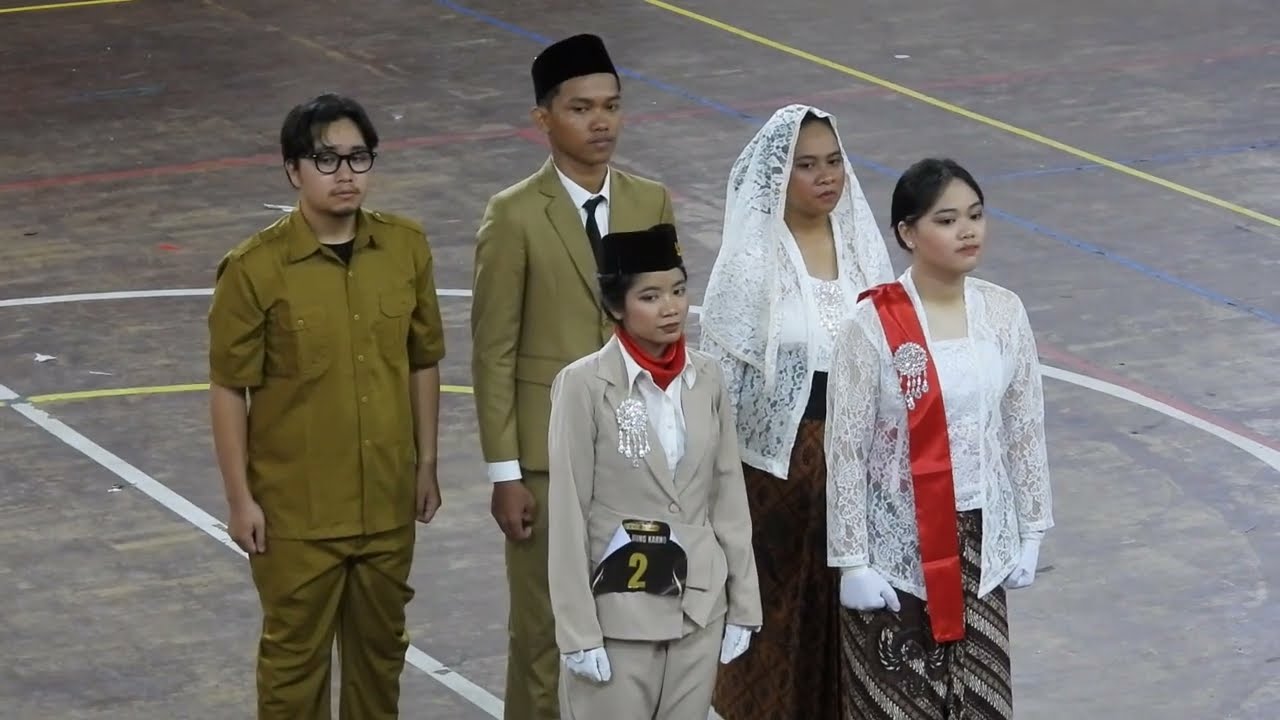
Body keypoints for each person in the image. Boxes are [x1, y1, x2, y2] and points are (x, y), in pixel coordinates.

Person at [206, 93, 446, 720]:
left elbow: (422, 359)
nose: (345, 174)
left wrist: (426, 465)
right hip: (297, 514)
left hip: (386, 504)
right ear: (293, 170)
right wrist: (239, 500)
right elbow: (229, 388)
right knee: (293, 674)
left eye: (358, 158)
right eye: (326, 159)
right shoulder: (254, 269)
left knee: (380, 663)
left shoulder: (405, 248)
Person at [470, 33, 677, 720]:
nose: (601, 122)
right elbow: (493, 352)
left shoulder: (650, 201)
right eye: (581, 108)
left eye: (611, 106)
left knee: (634, 631)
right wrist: (505, 473)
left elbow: (666, 330)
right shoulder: (513, 216)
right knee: (543, 635)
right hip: (546, 464)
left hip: (636, 458)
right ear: (543, 118)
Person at [825, 157, 1054, 719]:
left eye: (975, 215)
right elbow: (847, 450)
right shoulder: (870, 326)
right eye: (947, 220)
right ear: (908, 233)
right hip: (896, 546)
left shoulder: (1003, 312)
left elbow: (1024, 425)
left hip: (980, 544)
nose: (968, 231)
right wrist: (852, 561)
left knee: (981, 702)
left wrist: (1031, 530)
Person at [701, 104, 895, 719]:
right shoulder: (750, 260)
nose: (825, 176)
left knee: (851, 618)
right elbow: (722, 380)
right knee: (778, 612)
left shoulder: (863, 247)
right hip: (776, 473)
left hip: (859, 465)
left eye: (833, 161)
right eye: (806, 165)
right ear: (777, 176)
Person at [545, 222, 762, 719]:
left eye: (679, 291)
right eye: (650, 296)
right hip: (617, 615)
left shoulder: (707, 378)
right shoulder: (583, 385)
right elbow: (568, 512)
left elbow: (728, 495)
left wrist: (744, 603)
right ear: (617, 306)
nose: (671, 307)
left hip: (698, 611)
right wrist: (577, 632)